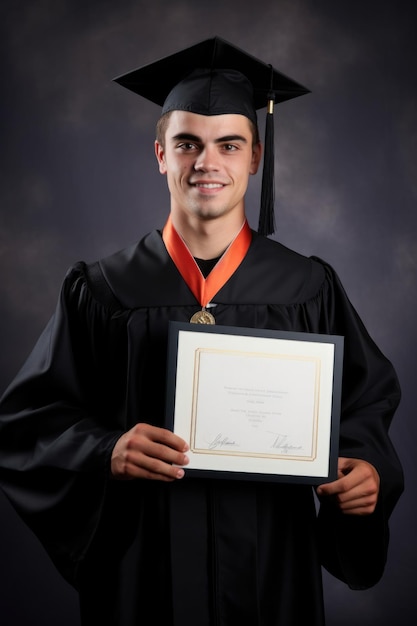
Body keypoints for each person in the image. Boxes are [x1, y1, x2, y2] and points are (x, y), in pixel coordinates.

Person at [0, 37, 403, 626]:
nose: (206, 163)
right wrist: (105, 450)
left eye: (229, 145)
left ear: (255, 159)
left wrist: (367, 472)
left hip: (272, 567)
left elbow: (366, 404)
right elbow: (26, 426)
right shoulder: (104, 290)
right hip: (142, 575)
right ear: (159, 154)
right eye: (187, 143)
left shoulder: (307, 287)